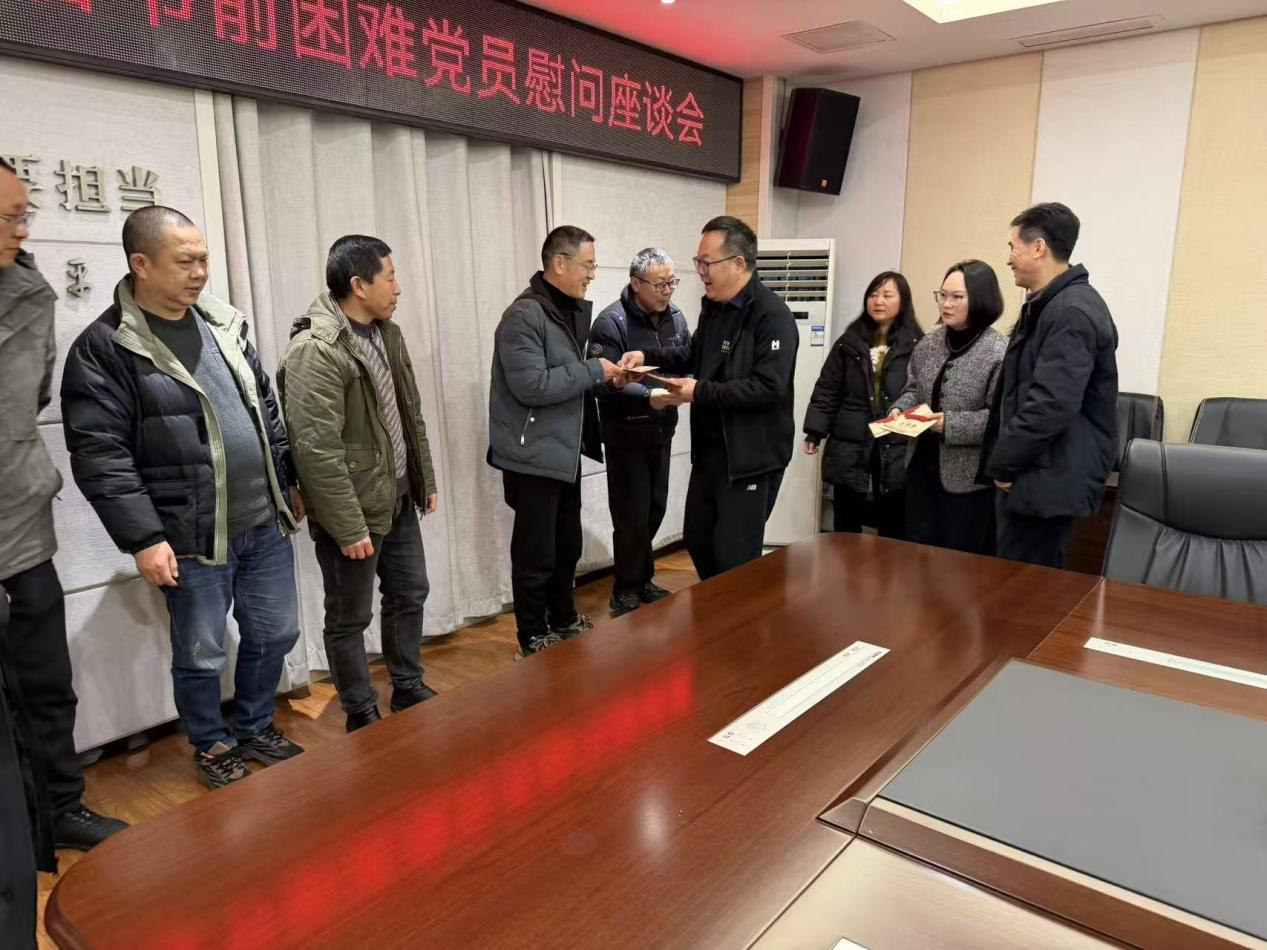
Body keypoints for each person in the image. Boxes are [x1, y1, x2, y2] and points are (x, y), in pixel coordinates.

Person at [61, 207, 305, 788]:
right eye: (186, 261)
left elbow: (264, 408)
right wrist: (144, 537)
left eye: (203, 259)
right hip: (191, 532)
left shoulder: (222, 323)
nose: (200, 272)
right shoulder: (105, 347)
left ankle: (255, 725)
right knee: (200, 651)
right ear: (141, 265)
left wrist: (287, 479)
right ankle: (212, 743)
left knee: (276, 632)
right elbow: (101, 454)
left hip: (263, 520)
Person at [0, 159, 127, 849]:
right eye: (8, 218)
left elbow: (34, 397)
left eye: (24, 216)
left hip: (20, 519)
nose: (21, 231)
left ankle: (60, 807)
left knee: (46, 680)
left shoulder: (28, 293)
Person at [279, 236, 439, 732]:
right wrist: (348, 527)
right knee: (349, 615)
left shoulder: (387, 333)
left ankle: (407, 684)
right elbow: (315, 449)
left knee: (410, 591)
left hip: (397, 495)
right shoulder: (316, 349)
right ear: (358, 284)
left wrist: (424, 478)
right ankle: (360, 711)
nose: (398, 288)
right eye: (389, 277)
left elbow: (408, 413)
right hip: (352, 507)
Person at [620, 216, 797, 581]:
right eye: (698, 262)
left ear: (738, 263)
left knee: (734, 559)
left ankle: (738, 617)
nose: (700, 271)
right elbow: (693, 355)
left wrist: (698, 391)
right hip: (711, 452)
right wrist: (645, 356)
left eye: (706, 263)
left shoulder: (772, 316)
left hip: (750, 458)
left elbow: (768, 387)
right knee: (699, 539)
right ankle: (719, 613)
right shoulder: (716, 308)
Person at [488, 226, 626, 658]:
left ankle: (563, 617)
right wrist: (594, 370)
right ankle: (532, 634)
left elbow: (570, 378)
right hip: (532, 455)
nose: (592, 275)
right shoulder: (524, 316)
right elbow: (532, 385)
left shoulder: (566, 311)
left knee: (566, 545)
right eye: (588, 265)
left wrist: (609, 376)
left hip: (563, 451)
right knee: (536, 553)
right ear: (559, 263)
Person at [981, 202, 1118, 568]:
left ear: (1038, 247)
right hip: (1040, 473)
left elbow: (1051, 404)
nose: (1008, 259)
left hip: (1043, 479)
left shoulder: (1069, 311)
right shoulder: (1052, 303)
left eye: (1013, 247)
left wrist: (1006, 465)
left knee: (1025, 589)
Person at [589, 248, 691, 616]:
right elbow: (602, 382)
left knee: (654, 510)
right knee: (630, 515)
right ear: (636, 283)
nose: (668, 291)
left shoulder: (676, 318)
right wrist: (648, 396)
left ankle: (643, 579)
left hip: (662, 431)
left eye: (672, 283)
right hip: (625, 434)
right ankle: (625, 589)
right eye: (660, 284)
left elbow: (686, 359)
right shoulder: (610, 323)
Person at [888, 260, 1007, 555]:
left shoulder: (997, 350)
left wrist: (949, 424)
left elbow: (998, 419)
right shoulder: (929, 343)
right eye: (942, 295)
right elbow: (913, 390)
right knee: (916, 555)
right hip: (920, 468)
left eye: (957, 297)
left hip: (966, 481)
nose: (946, 304)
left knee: (956, 565)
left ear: (980, 299)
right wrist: (899, 409)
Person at [803, 271, 923, 538]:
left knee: (893, 518)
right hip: (851, 439)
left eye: (887, 295)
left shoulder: (918, 345)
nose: (878, 301)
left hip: (896, 441)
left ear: (903, 301)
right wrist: (814, 431)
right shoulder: (849, 342)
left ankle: (888, 565)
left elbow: (921, 394)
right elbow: (828, 389)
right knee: (846, 517)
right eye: (873, 294)